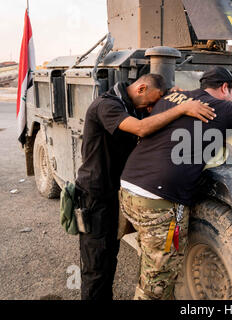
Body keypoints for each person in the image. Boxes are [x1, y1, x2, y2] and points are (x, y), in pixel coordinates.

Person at [119, 67, 232, 300]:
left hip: (129, 187)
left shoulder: (173, 97)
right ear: (225, 88)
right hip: (160, 202)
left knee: (152, 255)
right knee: (160, 274)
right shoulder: (224, 107)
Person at [75, 73, 216, 300]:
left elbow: (151, 115)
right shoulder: (107, 105)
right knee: (96, 264)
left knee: (110, 256)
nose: (152, 107)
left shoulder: (131, 104)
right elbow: (141, 128)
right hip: (95, 196)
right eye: (153, 100)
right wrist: (181, 109)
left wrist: (172, 98)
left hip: (114, 193)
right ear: (141, 89)